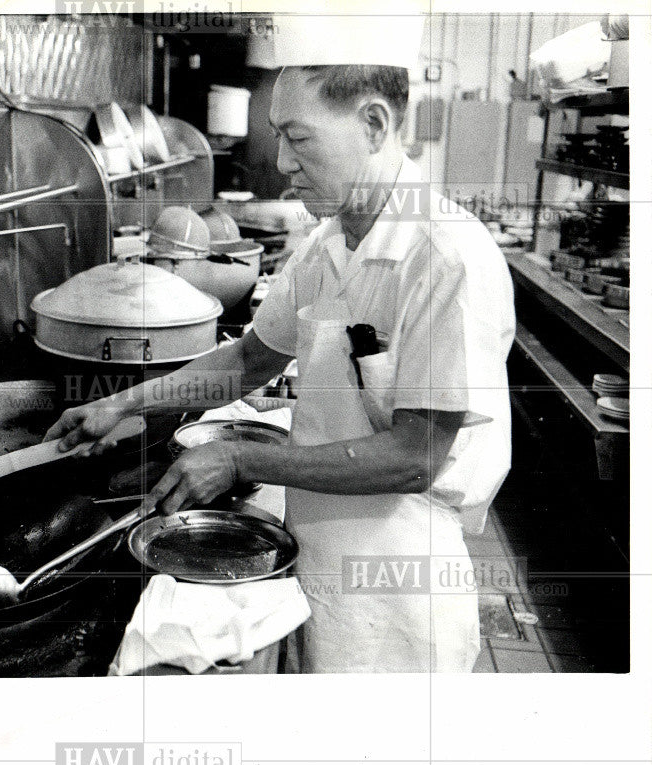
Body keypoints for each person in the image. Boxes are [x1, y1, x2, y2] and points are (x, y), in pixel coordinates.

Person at [45, 34, 514, 673]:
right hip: (313, 550)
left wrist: (239, 456)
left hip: (398, 576)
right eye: (279, 137)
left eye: (299, 138)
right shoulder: (325, 249)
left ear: (374, 124)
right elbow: (246, 362)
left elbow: (414, 458)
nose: (282, 163)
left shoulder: (446, 258)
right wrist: (122, 403)